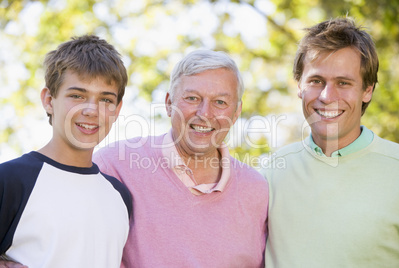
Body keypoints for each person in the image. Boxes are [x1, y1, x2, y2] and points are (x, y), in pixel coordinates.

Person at [93, 49, 269, 267]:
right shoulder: (114, 165)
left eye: (220, 102)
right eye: (192, 98)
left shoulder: (257, 190)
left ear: (236, 112)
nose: (205, 113)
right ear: (168, 103)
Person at [265, 17, 399, 267]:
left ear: (367, 90)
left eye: (343, 83)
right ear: (299, 86)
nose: (327, 97)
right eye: (316, 81)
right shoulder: (269, 174)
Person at [0, 35, 132, 268]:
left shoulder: (120, 195)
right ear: (49, 100)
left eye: (105, 99)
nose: (91, 110)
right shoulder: (10, 181)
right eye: (77, 96)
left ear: (117, 109)